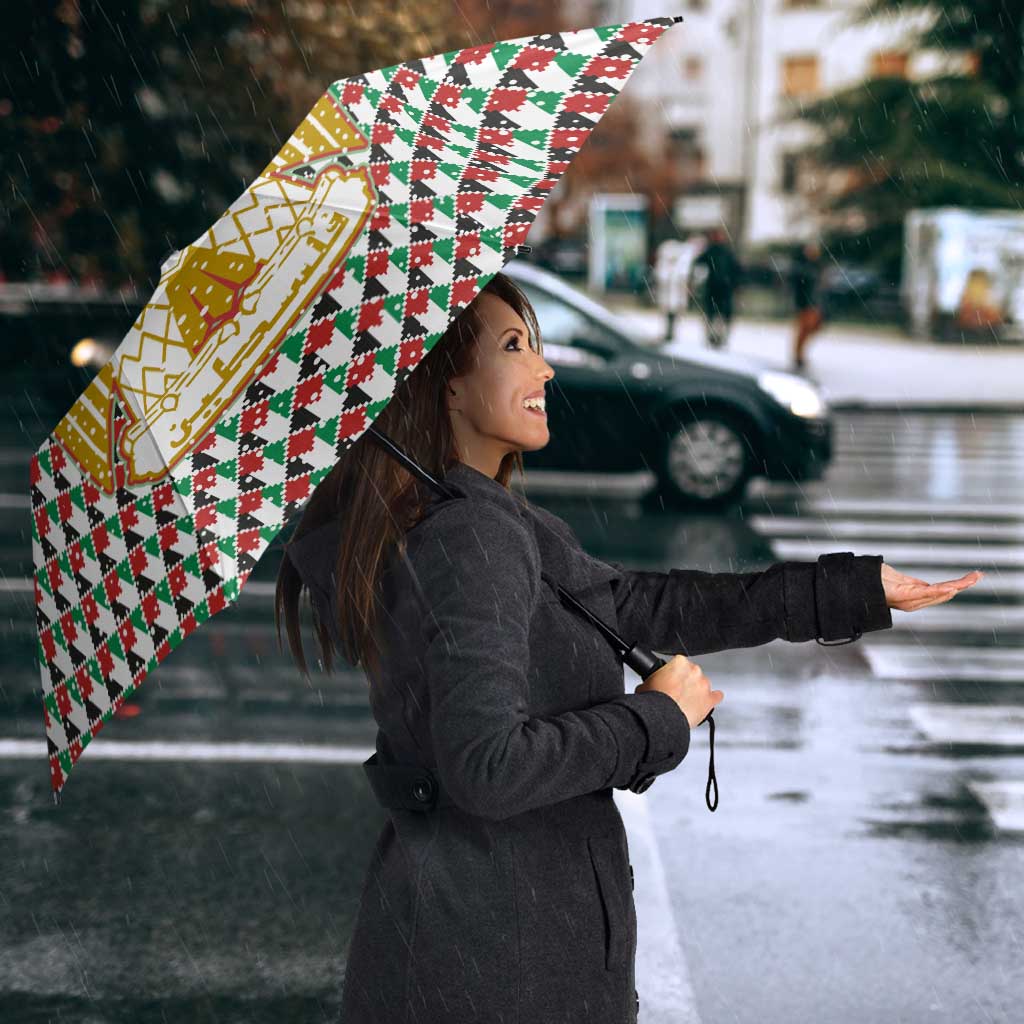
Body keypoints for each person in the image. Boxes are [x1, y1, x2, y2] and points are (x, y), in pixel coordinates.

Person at [276, 271, 960, 1024]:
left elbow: (635, 604)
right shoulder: (470, 536)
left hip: (472, 942)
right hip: (502, 964)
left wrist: (850, 590)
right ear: (447, 387)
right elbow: (487, 768)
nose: (545, 368)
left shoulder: (466, 517)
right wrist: (658, 720)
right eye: (514, 347)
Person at [692, 226, 742, 349]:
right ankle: (713, 337)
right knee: (713, 314)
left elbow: (736, 270)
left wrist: (735, 284)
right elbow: (698, 264)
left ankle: (719, 337)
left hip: (723, 288)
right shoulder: (712, 251)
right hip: (715, 288)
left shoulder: (725, 252)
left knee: (720, 315)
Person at [790, 239, 826, 371]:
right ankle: (798, 355)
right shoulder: (802, 267)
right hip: (805, 303)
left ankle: (800, 354)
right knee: (804, 329)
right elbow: (799, 286)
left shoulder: (817, 266)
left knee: (812, 328)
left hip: (814, 303)